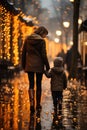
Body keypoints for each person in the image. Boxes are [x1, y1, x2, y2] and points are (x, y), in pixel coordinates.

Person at [21, 26, 50, 113]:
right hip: (39, 65)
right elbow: (44, 55)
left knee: (31, 84)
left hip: (29, 65)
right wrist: (47, 66)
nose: (45, 36)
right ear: (42, 33)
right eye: (45, 34)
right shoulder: (41, 41)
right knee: (38, 84)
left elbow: (23, 53)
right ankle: (38, 104)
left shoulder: (27, 39)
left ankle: (31, 104)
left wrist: (23, 65)